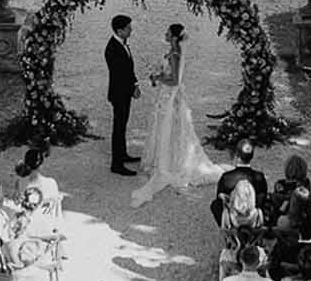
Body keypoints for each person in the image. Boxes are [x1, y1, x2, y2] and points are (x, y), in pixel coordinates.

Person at [130, 23, 216, 203]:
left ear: (175, 37)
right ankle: (165, 158)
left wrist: (158, 77)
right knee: (165, 128)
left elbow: (175, 80)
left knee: (172, 128)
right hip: (165, 96)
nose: (165, 34)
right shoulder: (171, 53)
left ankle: (171, 162)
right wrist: (158, 76)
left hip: (171, 98)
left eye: (168, 33)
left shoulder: (175, 55)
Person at [104, 13, 140, 174]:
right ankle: (116, 164)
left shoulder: (123, 44)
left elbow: (129, 69)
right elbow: (120, 75)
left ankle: (123, 154)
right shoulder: (112, 48)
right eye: (128, 29)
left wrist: (136, 84)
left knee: (122, 125)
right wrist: (131, 89)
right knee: (118, 128)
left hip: (124, 92)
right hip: (119, 94)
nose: (131, 31)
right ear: (119, 31)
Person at [210, 142, 268, 227]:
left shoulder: (227, 177)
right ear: (252, 156)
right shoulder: (259, 177)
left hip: (233, 219)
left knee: (215, 204)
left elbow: (219, 199)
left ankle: (226, 229)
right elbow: (263, 197)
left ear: (237, 155)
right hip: (253, 219)